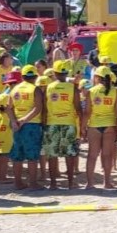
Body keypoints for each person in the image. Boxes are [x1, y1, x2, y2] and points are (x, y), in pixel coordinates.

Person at [43, 61, 83, 189]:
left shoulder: (49, 87)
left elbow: (44, 108)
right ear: (66, 73)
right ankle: (71, 183)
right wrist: (82, 127)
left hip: (52, 123)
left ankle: (53, 183)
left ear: (54, 73)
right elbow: (78, 109)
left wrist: (44, 124)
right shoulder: (72, 88)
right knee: (69, 154)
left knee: (52, 155)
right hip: (68, 123)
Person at [85, 66, 117, 189]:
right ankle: (107, 182)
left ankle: (89, 183)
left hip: (94, 125)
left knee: (92, 155)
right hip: (109, 125)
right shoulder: (115, 92)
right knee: (107, 155)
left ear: (97, 77)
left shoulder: (91, 91)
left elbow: (87, 112)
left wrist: (83, 127)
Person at [10, 65, 45, 190]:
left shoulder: (14, 89)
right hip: (31, 124)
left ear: (22, 76)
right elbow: (38, 108)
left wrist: (14, 121)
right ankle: (33, 183)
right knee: (32, 155)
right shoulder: (35, 89)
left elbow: (9, 107)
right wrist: (24, 120)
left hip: (17, 125)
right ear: (35, 76)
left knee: (17, 155)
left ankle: (18, 182)